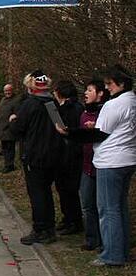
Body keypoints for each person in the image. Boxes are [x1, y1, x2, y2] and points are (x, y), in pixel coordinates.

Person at [58, 66, 135, 266]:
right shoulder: (132, 101)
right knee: (119, 208)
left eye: (110, 84)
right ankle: (121, 250)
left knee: (108, 210)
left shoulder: (114, 104)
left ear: (121, 84)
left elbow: (99, 133)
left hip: (111, 161)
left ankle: (112, 255)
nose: (107, 88)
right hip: (127, 159)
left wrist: (70, 133)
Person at [10, 71, 65, 245]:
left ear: (30, 86)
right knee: (46, 192)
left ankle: (40, 229)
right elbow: (60, 127)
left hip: (34, 154)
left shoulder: (30, 104)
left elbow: (18, 129)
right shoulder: (52, 103)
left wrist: (13, 120)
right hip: (53, 154)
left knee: (37, 193)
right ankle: (49, 227)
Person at [59, 79, 109, 251]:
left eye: (90, 90)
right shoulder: (84, 114)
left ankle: (105, 241)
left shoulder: (105, 112)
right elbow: (80, 137)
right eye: (86, 90)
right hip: (86, 165)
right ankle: (91, 238)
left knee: (103, 206)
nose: (86, 93)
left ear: (100, 93)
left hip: (102, 164)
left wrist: (95, 128)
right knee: (87, 204)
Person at [52, 80, 84, 235]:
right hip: (62, 153)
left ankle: (74, 221)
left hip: (71, 153)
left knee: (70, 189)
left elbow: (73, 128)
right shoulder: (64, 107)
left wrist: (65, 131)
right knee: (62, 189)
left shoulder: (74, 108)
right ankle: (67, 218)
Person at [0, 84, 22, 172]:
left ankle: (9, 166)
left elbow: (18, 114)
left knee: (10, 148)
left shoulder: (16, 100)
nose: (7, 92)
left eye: (9, 90)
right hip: (2, 128)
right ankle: (7, 164)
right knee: (5, 148)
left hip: (10, 129)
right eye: (6, 91)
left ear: (12, 90)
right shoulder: (3, 99)